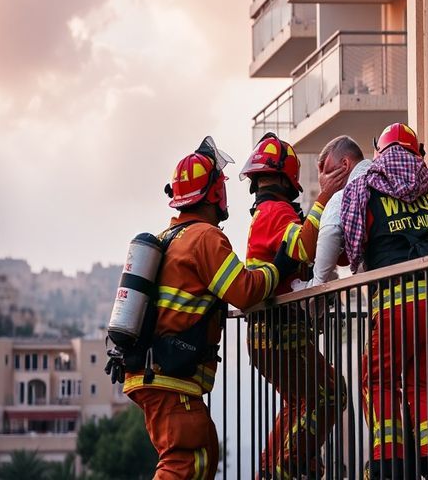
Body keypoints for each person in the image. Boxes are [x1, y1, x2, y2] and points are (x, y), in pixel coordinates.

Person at [121, 136, 291, 479]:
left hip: (153, 371)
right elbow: (243, 291)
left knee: (206, 451)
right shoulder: (205, 238)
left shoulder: (170, 238)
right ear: (215, 193)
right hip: (171, 377)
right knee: (188, 460)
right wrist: (279, 268)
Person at [340, 123, 428, 480]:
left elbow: (350, 247)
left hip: (397, 301)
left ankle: (386, 464)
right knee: (425, 385)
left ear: (380, 153)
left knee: (378, 381)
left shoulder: (367, 187)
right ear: (415, 154)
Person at [239, 132, 348, 480]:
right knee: (330, 395)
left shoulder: (267, 212)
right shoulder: (276, 212)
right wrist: (326, 196)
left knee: (301, 401)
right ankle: (289, 467)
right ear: (289, 180)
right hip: (279, 330)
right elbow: (303, 247)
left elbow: (307, 252)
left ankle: (272, 470)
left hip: (269, 332)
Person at [302, 135, 372, 290]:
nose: (323, 182)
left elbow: (331, 232)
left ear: (345, 164)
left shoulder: (344, 195)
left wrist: (326, 194)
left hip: (391, 302)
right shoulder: (385, 179)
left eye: (327, 172)